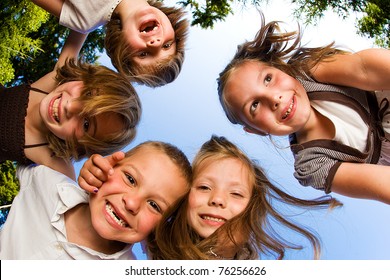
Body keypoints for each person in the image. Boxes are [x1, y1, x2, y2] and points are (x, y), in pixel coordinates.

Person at [217, 13, 390, 204]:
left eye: (268, 79)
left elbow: (365, 69)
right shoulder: (311, 165)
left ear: (281, 71)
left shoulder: (308, 73)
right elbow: (383, 185)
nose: (274, 98)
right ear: (256, 130)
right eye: (255, 105)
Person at [80, 135, 340, 259]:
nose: (217, 199)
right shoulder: (162, 236)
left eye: (236, 193)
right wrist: (98, 176)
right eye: (204, 187)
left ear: (253, 207)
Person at [0, 140, 192, 259]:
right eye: (130, 179)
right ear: (109, 164)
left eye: (154, 205)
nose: (132, 203)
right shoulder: (48, 181)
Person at [0, 30, 141, 180]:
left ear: (82, 146)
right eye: (87, 93)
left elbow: (74, 197)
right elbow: (83, 23)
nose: (70, 107)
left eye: (86, 124)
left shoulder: (53, 162)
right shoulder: (53, 82)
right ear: (84, 78)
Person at [31, 0, 189, 87]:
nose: (156, 43)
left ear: (121, 47)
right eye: (167, 45)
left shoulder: (85, 20)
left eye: (143, 54)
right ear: (174, 27)